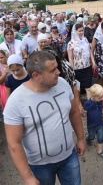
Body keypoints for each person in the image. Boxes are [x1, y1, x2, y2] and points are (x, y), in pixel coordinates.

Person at [3, 51, 85, 185]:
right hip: (40, 166)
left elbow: (74, 112)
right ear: (36, 75)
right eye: (53, 70)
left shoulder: (63, 84)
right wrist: (28, 177)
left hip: (69, 157)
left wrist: (81, 138)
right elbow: (14, 143)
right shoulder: (15, 102)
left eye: (57, 67)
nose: (58, 72)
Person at [84, 84, 103, 159]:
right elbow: (84, 114)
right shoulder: (87, 104)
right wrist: (82, 113)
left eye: (102, 97)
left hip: (99, 123)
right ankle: (88, 137)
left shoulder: (100, 101)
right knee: (91, 136)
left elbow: (102, 109)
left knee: (100, 137)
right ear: (92, 95)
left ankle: (100, 151)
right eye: (99, 97)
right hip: (91, 125)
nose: (101, 99)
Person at [67, 24, 92, 97]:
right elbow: (70, 57)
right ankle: (78, 105)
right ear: (75, 32)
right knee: (77, 89)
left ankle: (89, 105)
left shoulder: (85, 40)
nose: (81, 32)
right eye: (79, 31)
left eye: (82, 30)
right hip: (77, 69)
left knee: (88, 87)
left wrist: (92, 62)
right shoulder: (71, 43)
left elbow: (89, 51)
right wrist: (72, 69)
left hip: (87, 67)